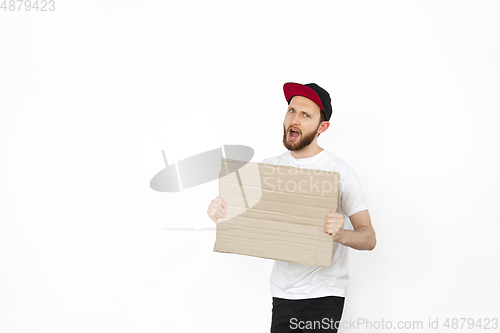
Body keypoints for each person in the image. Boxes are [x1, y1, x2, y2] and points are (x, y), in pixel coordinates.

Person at [207, 82, 376, 332]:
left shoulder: (339, 171)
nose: (294, 120)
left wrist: (341, 234)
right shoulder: (269, 169)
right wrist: (221, 213)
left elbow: (369, 237)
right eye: (291, 111)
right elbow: (249, 221)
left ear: (322, 127)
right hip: (282, 293)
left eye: (305, 115)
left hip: (324, 294)